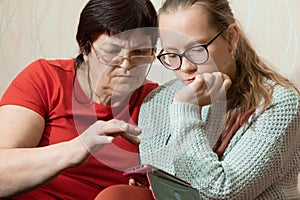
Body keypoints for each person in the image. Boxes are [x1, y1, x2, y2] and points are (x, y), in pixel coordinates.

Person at [137, 0, 300, 199]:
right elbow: (165, 190)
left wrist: (187, 110)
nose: (185, 67)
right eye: (172, 54)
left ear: (231, 38)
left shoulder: (278, 103)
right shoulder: (157, 102)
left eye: (197, 49)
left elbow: (215, 194)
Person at [0, 0, 158, 199]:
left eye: (139, 53)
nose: (126, 66)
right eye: (111, 52)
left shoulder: (157, 103)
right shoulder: (46, 79)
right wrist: (76, 149)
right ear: (85, 48)